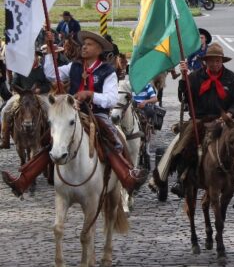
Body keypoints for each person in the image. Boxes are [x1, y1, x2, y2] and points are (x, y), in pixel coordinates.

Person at [1, 30, 148, 196]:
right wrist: (50, 52)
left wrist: (91, 95)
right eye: (84, 44)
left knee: (113, 140)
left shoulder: (107, 71)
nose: (84, 47)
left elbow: (111, 99)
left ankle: (128, 176)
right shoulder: (74, 66)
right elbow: (50, 74)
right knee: (47, 141)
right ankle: (23, 180)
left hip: (97, 114)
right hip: (72, 113)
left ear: (99, 50)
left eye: (89, 44)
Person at [169, 42, 234, 201]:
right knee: (183, 144)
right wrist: (183, 78)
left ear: (222, 61)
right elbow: (183, 97)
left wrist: (230, 115)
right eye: (211, 60)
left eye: (218, 60)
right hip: (200, 119)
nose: (215, 64)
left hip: (226, 120)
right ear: (206, 61)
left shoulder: (232, 78)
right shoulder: (195, 77)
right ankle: (181, 180)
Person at [1, 52, 51, 150]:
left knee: (50, 110)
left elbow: (48, 85)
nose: (33, 58)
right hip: (22, 95)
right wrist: (19, 90)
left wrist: (40, 89)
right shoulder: (21, 70)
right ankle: (5, 138)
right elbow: (13, 83)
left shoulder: (42, 70)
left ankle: (51, 137)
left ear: (37, 57)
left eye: (35, 56)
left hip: (38, 95)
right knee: (5, 110)